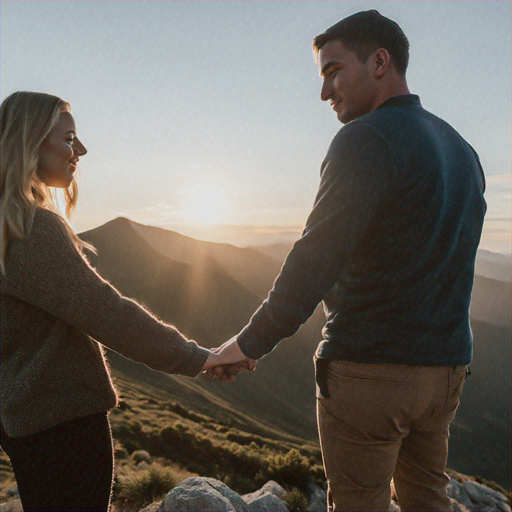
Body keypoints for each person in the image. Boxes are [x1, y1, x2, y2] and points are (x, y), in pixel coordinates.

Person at [210, 10, 487, 512]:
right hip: (446, 370)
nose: (324, 92)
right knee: (429, 498)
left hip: (370, 371)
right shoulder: (462, 149)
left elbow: (316, 256)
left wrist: (249, 342)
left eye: (333, 71)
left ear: (380, 61)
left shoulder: (364, 139)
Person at [0, 91, 234, 512]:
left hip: (29, 424)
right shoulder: (30, 229)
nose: (81, 150)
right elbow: (108, 313)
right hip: (62, 424)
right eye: (70, 138)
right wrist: (195, 357)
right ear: (30, 141)